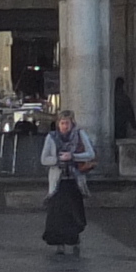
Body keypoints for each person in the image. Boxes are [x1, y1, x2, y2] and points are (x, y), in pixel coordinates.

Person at [39, 105, 94, 253]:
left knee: (73, 212)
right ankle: (59, 244)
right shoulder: (51, 138)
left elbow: (90, 154)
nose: (64, 126)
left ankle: (74, 239)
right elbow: (44, 159)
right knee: (57, 215)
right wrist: (58, 159)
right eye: (62, 123)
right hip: (58, 181)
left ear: (72, 123)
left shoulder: (80, 135)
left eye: (67, 123)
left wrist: (73, 156)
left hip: (74, 180)